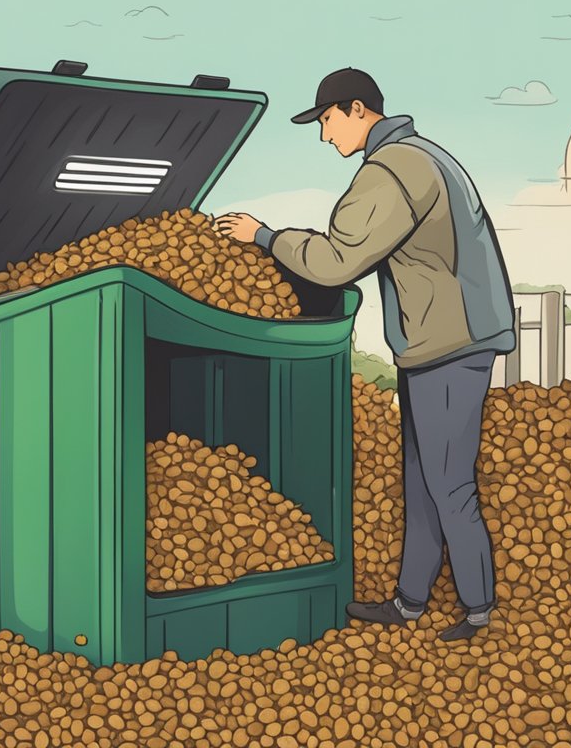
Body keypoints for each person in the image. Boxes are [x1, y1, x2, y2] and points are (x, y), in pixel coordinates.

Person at [215, 67, 516, 642]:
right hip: (441, 341)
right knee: (423, 481)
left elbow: (337, 261)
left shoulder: (394, 171)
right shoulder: (422, 156)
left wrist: (264, 237)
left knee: (448, 484)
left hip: (450, 344)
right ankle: (409, 602)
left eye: (327, 120)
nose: (325, 136)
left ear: (357, 110)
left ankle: (480, 614)